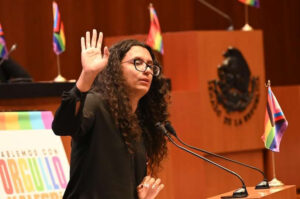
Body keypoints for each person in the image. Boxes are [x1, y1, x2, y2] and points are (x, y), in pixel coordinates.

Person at [52, 29, 170, 199]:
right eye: (137, 62)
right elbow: (62, 126)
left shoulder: (140, 121)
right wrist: (87, 75)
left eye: (151, 66)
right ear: (115, 68)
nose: (146, 70)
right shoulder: (96, 104)